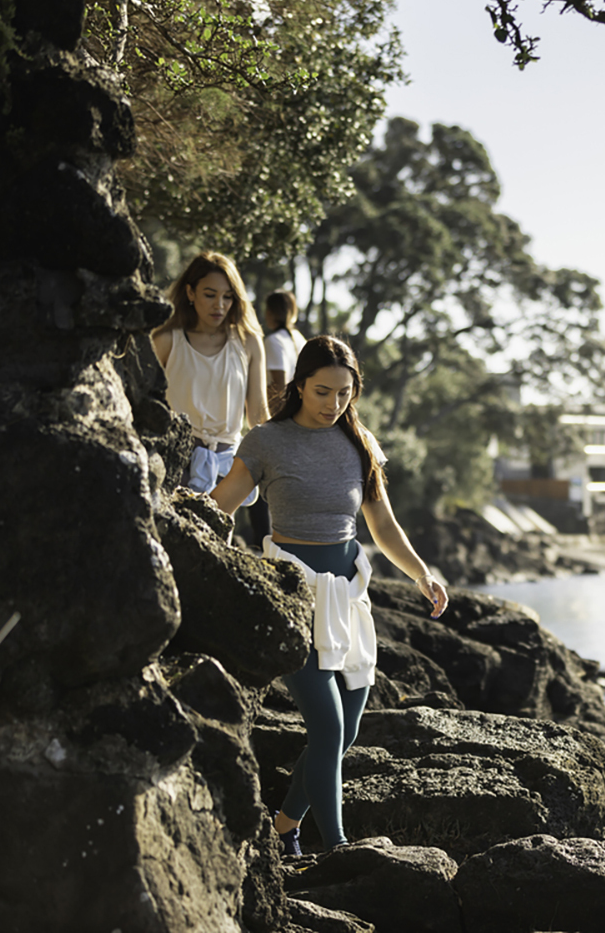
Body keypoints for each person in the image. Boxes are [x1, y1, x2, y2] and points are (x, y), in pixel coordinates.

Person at [210, 335, 449, 855]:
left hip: (349, 598)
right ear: (298, 386)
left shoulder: (359, 442)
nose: (332, 403)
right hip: (293, 596)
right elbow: (221, 503)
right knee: (327, 725)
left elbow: (381, 524)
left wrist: (421, 573)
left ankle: (284, 826)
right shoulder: (266, 441)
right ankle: (339, 849)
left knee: (347, 731)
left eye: (343, 393)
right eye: (322, 391)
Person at [152, 251, 269, 496]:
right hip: (175, 459)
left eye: (228, 297)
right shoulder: (165, 340)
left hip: (228, 469)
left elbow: (258, 414)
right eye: (210, 294)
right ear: (190, 293)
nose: (219, 305)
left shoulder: (249, 343)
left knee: (218, 535)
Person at [263, 289, 306, 415]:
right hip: (300, 410)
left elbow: (278, 386)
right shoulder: (300, 338)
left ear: (271, 312)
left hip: (283, 413)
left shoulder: (273, 341)